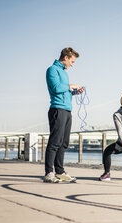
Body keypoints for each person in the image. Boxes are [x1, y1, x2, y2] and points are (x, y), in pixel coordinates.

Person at [44, 47, 84, 183]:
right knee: (55, 142)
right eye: (72, 61)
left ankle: (60, 172)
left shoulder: (64, 72)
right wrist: (70, 86)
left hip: (67, 111)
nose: (72, 64)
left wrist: (74, 93)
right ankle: (49, 173)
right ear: (66, 58)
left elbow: (64, 91)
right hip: (57, 110)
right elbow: (55, 88)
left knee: (64, 143)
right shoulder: (52, 70)